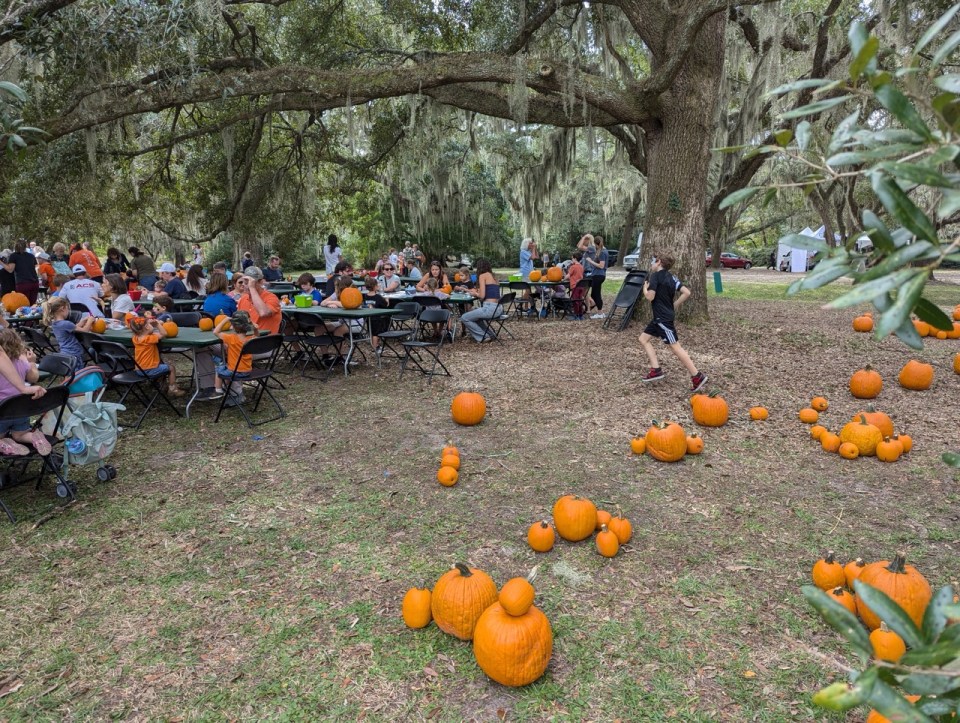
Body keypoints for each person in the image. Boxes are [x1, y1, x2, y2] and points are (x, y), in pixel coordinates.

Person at [638, 253, 707, 392]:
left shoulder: (655, 276)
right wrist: (674, 305)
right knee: (643, 339)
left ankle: (697, 376)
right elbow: (686, 292)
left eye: (653, 261)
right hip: (659, 318)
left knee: (676, 347)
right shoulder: (672, 277)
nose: (651, 263)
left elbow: (650, 297)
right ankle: (656, 370)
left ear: (659, 262)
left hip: (663, 319)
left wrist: (645, 288)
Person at [0, 329, 52, 455]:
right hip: (21, 408)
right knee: (20, 435)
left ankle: (5, 445)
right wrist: (32, 362)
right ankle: (34, 438)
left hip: (2, 410)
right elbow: (34, 378)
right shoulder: (22, 361)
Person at [128, 316, 184, 396]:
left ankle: (162, 386)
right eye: (150, 325)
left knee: (160, 365)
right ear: (147, 327)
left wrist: (152, 325)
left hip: (139, 370)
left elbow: (148, 332)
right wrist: (157, 324)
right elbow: (164, 334)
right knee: (171, 368)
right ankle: (173, 389)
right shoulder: (149, 339)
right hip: (149, 370)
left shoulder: (135, 338)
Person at [212, 310, 258, 401]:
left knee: (219, 369)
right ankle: (226, 387)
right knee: (227, 369)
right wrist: (254, 328)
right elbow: (257, 335)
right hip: (247, 370)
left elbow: (216, 332)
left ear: (233, 326)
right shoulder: (251, 339)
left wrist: (225, 319)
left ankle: (218, 390)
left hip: (235, 371)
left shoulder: (231, 338)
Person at [42, 297, 95, 369]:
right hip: (74, 353)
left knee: (70, 372)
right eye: (67, 308)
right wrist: (90, 321)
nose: (69, 311)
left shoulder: (55, 323)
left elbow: (74, 328)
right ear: (62, 308)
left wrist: (83, 321)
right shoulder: (66, 323)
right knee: (77, 373)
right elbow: (84, 330)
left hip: (65, 352)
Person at [460, 258, 502, 342]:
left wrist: (475, 294)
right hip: (498, 308)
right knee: (474, 313)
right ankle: (490, 334)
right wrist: (475, 291)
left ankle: (483, 336)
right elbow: (489, 292)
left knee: (464, 317)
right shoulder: (493, 276)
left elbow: (482, 296)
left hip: (489, 309)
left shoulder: (483, 276)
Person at [236, 266, 281, 334]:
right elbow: (238, 322)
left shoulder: (271, 298)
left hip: (264, 339)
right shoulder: (243, 299)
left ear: (261, 282)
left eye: (250, 283)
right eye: (245, 282)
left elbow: (263, 313)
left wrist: (252, 288)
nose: (245, 285)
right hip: (247, 337)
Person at [4, 240, 40, 304]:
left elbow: (10, 270)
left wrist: (1, 262)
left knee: (23, 305)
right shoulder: (31, 256)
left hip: (22, 283)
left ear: (15, 246)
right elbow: (37, 268)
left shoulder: (13, 256)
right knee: (32, 305)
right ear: (26, 246)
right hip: (34, 283)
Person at [585, 235, 609, 319]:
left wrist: (590, 261)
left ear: (596, 244)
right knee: (594, 294)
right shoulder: (603, 251)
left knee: (596, 294)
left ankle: (600, 312)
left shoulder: (602, 252)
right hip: (597, 275)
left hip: (599, 275)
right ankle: (600, 311)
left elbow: (601, 266)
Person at [565, 251, 586, 320]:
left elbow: (568, 276)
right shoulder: (581, 267)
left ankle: (576, 315)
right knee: (580, 300)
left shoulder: (573, 267)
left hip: (575, 286)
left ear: (575, 259)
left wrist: (563, 278)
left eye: (572, 258)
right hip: (581, 286)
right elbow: (580, 276)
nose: (572, 260)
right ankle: (580, 314)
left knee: (575, 301)